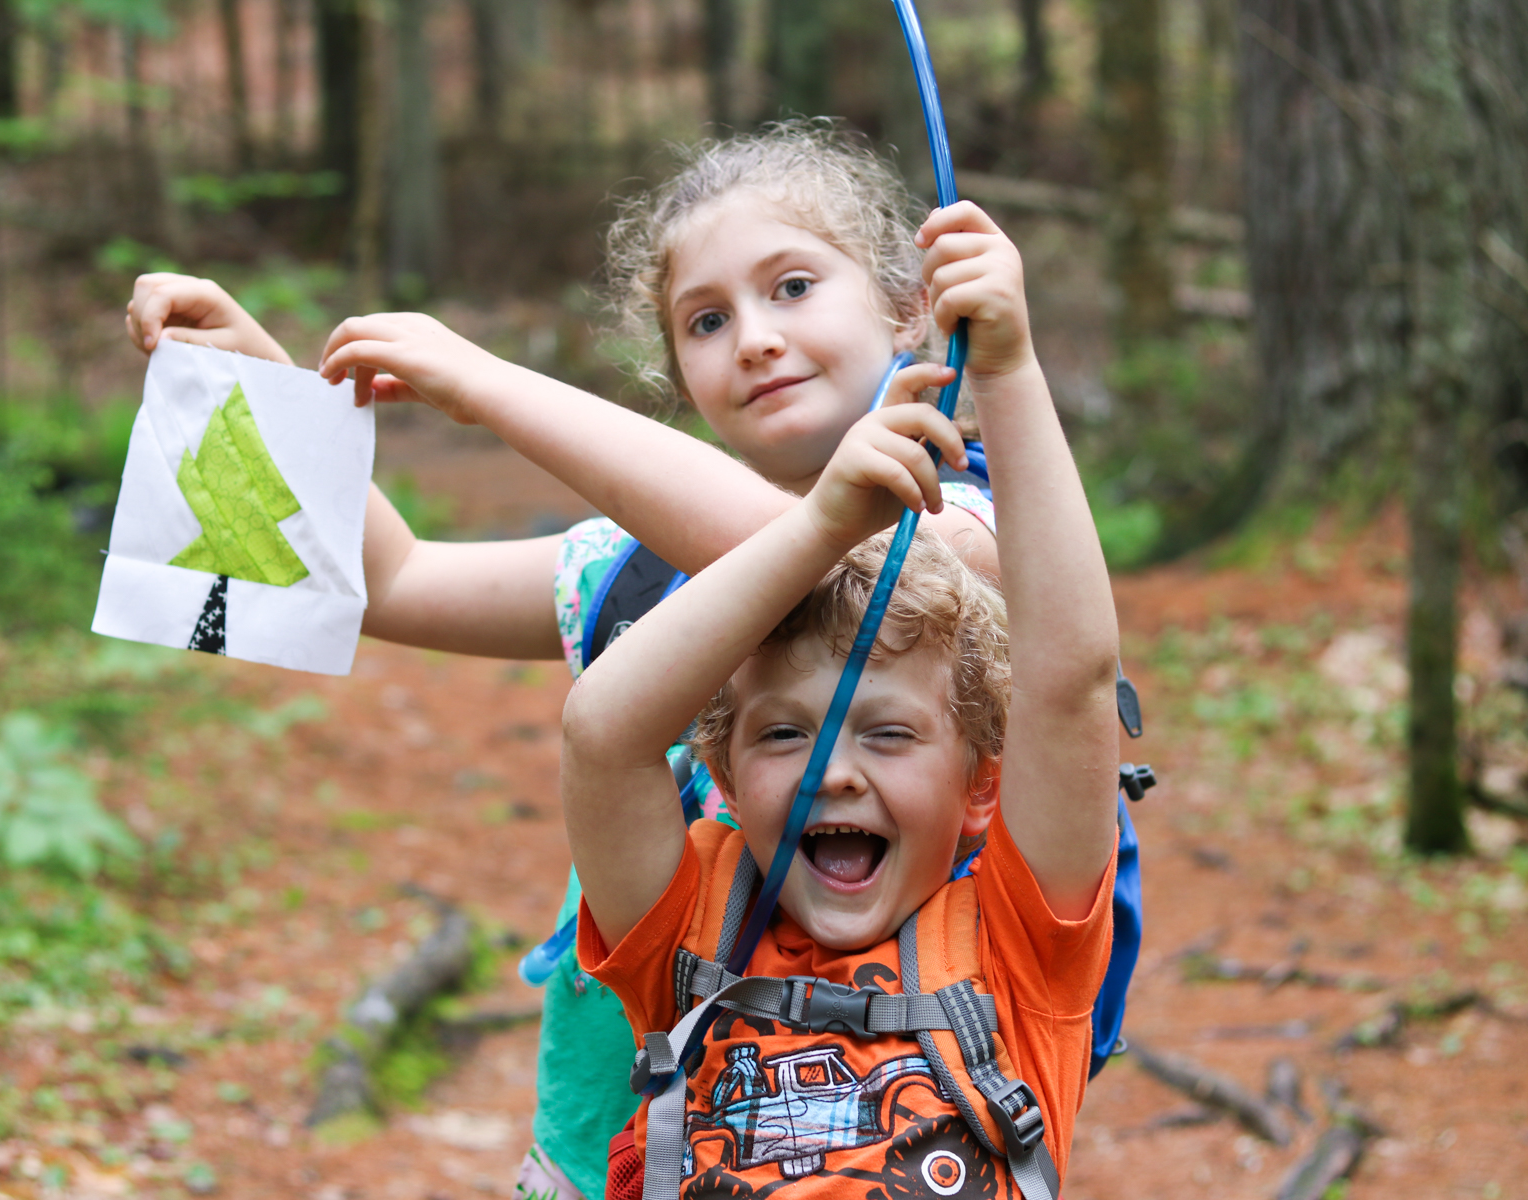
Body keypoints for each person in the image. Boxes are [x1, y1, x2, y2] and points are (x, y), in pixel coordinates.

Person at [124, 121, 1004, 1200]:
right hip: (608, 1134)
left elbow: (825, 567)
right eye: (708, 319)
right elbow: (389, 583)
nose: (756, 339)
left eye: (793, 287)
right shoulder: (629, 573)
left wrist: (486, 383)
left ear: (908, 306)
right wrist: (254, 382)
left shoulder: (962, 530)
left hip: (881, 1149)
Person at [558, 200, 1120, 1195]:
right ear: (724, 772)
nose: (836, 772)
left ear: (982, 786)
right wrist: (818, 529)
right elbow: (605, 735)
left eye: (892, 733)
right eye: (784, 734)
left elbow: (1069, 680)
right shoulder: (690, 926)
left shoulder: (1019, 952)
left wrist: (1010, 370)